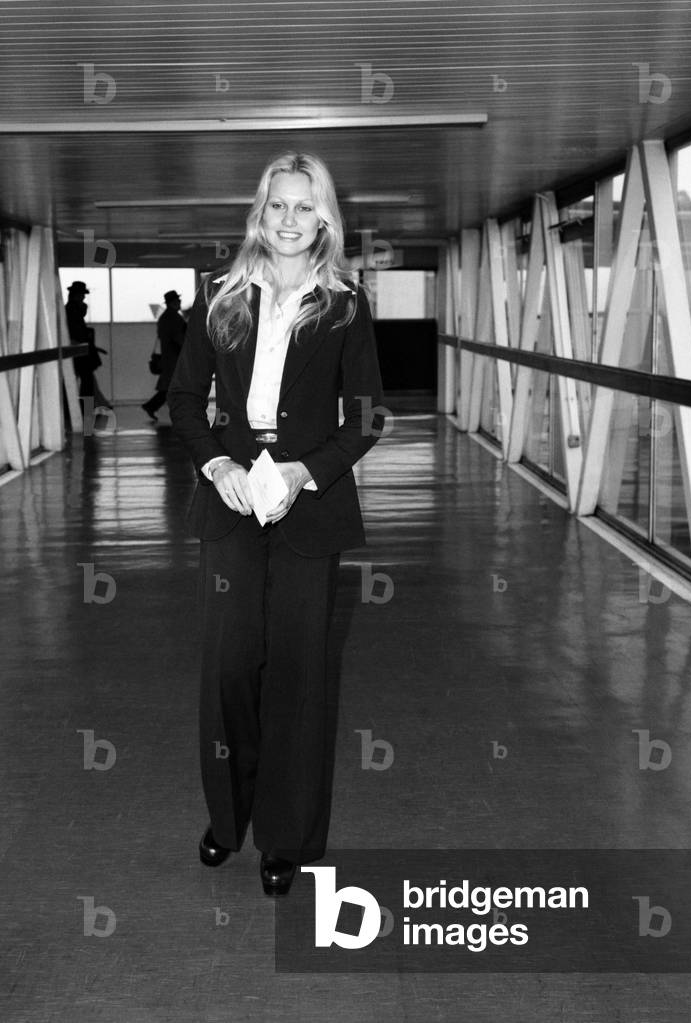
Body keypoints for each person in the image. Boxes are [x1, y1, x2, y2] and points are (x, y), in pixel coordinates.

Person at [168, 152, 385, 897]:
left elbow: (366, 415)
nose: (289, 220)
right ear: (259, 215)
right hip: (230, 499)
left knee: (296, 674)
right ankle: (227, 821)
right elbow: (184, 398)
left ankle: (284, 837)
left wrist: (303, 472)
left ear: (323, 217)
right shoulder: (220, 298)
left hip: (307, 503)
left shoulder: (346, 304)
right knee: (229, 668)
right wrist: (218, 467)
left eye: (304, 206)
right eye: (276, 206)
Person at [142, 290, 186, 421]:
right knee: (173, 386)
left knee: (168, 386)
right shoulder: (174, 318)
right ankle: (154, 407)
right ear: (173, 303)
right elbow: (179, 338)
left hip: (168, 357)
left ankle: (152, 406)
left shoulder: (165, 317)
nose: (180, 303)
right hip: (175, 357)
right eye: (178, 301)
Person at [65, 281, 110, 409]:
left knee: (83, 380)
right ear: (77, 295)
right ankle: (86, 407)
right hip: (79, 350)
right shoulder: (73, 310)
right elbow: (77, 331)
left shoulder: (71, 309)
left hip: (79, 350)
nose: (84, 297)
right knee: (87, 381)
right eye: (82, 295)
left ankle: (83, 407)